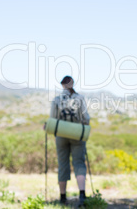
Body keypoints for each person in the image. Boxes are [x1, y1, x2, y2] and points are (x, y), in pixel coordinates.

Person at [50, 75, 90, 206]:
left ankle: (62, 197)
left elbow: (53, 119)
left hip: (61, 134)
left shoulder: (56, 100)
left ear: (62, 85)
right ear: (72, 84)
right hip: (77, 133)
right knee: (79, 163)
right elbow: (86, 118)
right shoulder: (79, 98)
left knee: (63, 164)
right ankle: (82, 196)